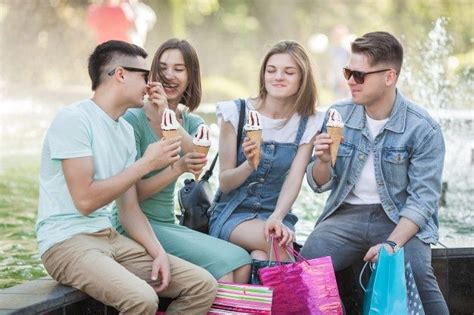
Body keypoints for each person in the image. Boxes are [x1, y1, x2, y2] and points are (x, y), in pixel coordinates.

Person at [36, 40, 217, 314]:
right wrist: (146, 164)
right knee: (142, 299)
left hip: (109, 238)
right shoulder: (73, 119)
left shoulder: (123, 132)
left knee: (201, 285)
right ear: (120, 74)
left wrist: (158, 253)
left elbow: (129, 209)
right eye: (145, 75)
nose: (151, 83)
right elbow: (85, 200)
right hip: (66, 242)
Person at [301, 32, 449, 313]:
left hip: (398, 216)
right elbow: (319, 184)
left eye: (359, 75)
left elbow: (423, 201)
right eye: (348, 72)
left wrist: (392, 244)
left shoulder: (423, 128)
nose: (350, 82)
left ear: (389, 77)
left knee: (417, 273)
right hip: (346, 215)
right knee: (307, 268)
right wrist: (322, 161)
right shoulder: (338, 116)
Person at [114, 38, 252, 283]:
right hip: (134, 224)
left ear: (191, 76)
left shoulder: (192, 123)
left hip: (167, 223)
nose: (169, 75)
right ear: (152, 74)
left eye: (178, 69)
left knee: (242, 261)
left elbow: (198, 157)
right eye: (163, 68)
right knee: (225, 274)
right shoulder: (132, 120)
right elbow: (132, 197)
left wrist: (167, 116)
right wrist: (176, 167)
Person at [209, 40, 324, 260]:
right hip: (232, 214)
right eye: (271, 70)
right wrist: (249, 165)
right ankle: (308, 294)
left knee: (261, 258)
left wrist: (278, 217)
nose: (278, 77)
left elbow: (295, 178)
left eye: (288, 72)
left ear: (302, 78)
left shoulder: (309, 122)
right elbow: (224, 182)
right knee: (277, 244)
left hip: (276, 216)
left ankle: (259, 292)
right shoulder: (235, 113)